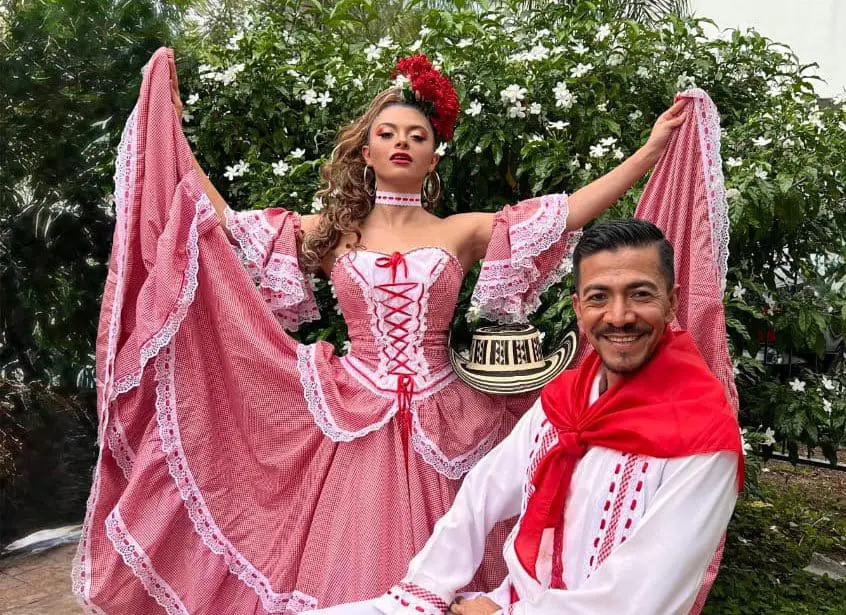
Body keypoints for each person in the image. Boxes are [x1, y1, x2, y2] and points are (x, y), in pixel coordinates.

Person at [72, 48, 687, 613]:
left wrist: (652, 150)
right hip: (353, 411)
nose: (401, 142)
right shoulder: (334, 232)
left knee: (469, 555)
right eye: (387, 134)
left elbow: (575, 208)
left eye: (416, 135)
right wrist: (169, 130)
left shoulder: (461, 231)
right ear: (365, 153)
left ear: (432, 155)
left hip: (449, 414)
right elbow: (224, 223)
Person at [328, 220, 742, 615]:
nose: (619, 316)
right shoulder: (567, 399)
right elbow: (482, 494)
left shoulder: (703, 434)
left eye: (640, 295)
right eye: (599, 297)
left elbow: (639, 599)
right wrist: (428, 589)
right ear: (579, 309)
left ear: (671, 302)